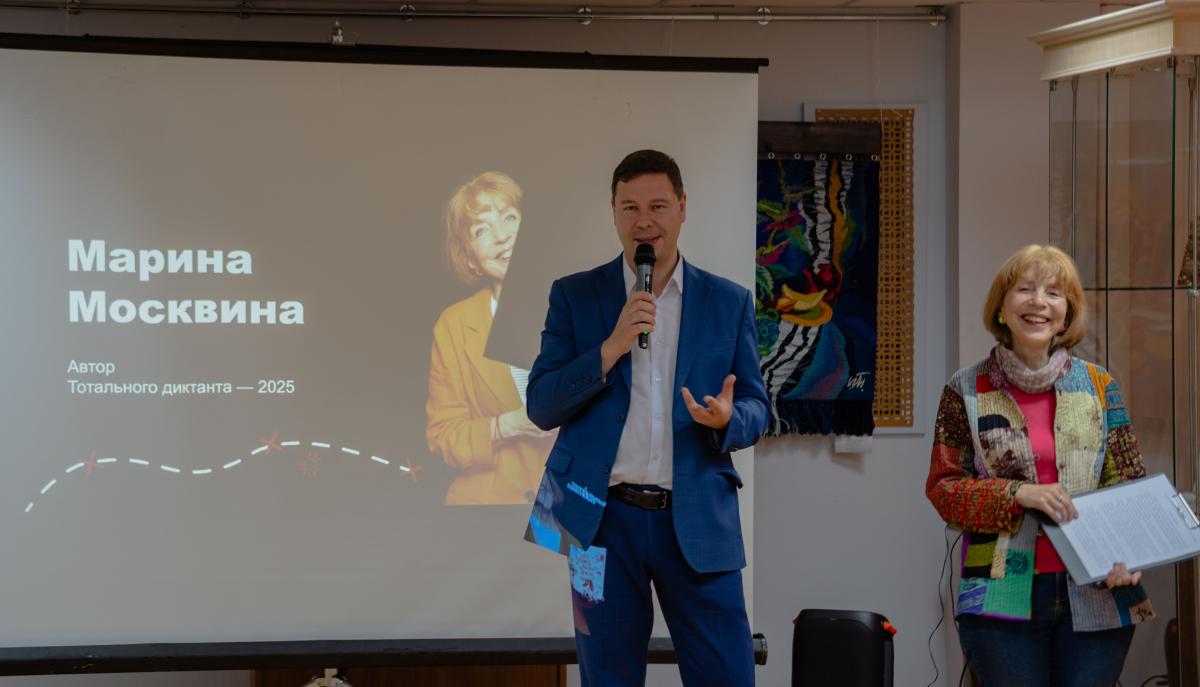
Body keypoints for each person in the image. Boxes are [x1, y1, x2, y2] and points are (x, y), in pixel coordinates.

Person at [524, 150, 769, 686]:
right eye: (629, 207)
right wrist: (610, 348)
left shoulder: (728, 302)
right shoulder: (574, 295)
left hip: (698, 516)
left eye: (657, 205)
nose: (644, 220)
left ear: (682, 208)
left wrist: (727, 419)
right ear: (613, 211)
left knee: (727, 676)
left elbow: (758, 409)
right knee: (605, 676)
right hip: (597, 523)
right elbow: (540, 405)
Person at [926, 245, 1155, 687]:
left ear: (1066, 315)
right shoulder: (966, 388)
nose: (1039, 302)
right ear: (1001, 307)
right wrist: (1018, 493)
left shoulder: (1099, 385)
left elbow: (1128, 482)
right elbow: (943, 488)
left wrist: (1130, 553)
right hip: (999, 592)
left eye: (1053, 292)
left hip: (1098, 591)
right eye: (1025, 289)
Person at [426, 171, 554, 505]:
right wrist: (510, 425)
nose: (501, 236)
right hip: (490, 503)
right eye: (481, 230)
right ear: (470, 257)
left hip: (571, 500)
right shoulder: (454, 324)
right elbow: (444, 436)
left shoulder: (580, 304)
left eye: (509, 217)